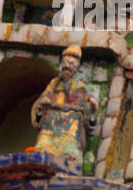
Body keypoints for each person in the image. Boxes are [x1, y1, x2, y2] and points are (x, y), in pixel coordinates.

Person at [30, 45, 98, 174]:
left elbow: (89, 122)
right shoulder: (53, 84)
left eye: (71, 64)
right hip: (50, 128)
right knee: (41, 149)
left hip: (70, 131)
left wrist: (93, 111)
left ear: (76, 68)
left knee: (69, 154)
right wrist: (41, 106)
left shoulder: (81, 88)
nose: (67, 68)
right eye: (65, 64)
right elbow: (39, 110)